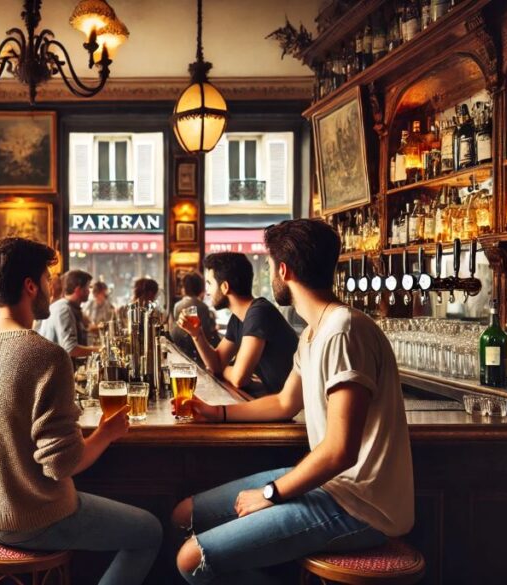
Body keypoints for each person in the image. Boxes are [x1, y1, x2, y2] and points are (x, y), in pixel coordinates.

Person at [171, 219, 414, 584]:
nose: (270, 275)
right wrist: (216, 412)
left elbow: (340, 452)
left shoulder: (344, 332)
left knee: (192, 559)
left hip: (362, 506)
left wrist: (270, 494)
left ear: (283, 270)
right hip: (332, 486)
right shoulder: (314, 331)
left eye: (270, 266)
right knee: (184, 515)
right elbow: (284, 403)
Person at [0, 238, 162, 585]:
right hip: (29, 518)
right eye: (47, 280)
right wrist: (107, 432)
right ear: (30, 286)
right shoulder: (46, 356)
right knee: (150, 530)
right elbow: (63, 465)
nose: (51, 287)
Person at [177, 252, 297, 398]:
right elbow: (216, 363)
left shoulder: (259, 313)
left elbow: (239, 378)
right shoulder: (238, 318)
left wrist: (223, 370)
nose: (207, 292)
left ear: (225, 287)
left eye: (209, 284)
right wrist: (197, 334)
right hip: (278, 402)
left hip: (298, 411)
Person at [39, 269, 98, 358]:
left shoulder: (70, 307)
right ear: (78, 290)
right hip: (54, 369)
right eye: (87, 287)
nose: (89, 292)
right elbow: (71, 349)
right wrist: (100, 349)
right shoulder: (64, 309)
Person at [171, 272, 221, 359]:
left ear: (184, 288)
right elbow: (207, 332)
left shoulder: (177, 306)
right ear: (200, 287)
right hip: (198, 351)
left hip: (180, 349)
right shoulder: (203, 307)